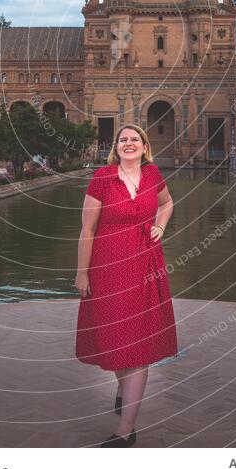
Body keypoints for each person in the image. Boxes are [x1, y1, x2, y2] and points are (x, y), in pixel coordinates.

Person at [75, 124, 178, 447]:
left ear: (145, 147)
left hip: (147, 265)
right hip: (108, 268)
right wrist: (82, 272)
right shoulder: (103, 178)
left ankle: (126, 429)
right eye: (123, 140)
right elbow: (87, 229)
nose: (129, 143)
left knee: (138, 345)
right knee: (117, 340)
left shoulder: (152, 175)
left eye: (135, 139)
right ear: (116, 147)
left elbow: (167, 203)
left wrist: (160, 227)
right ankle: (123, 389)